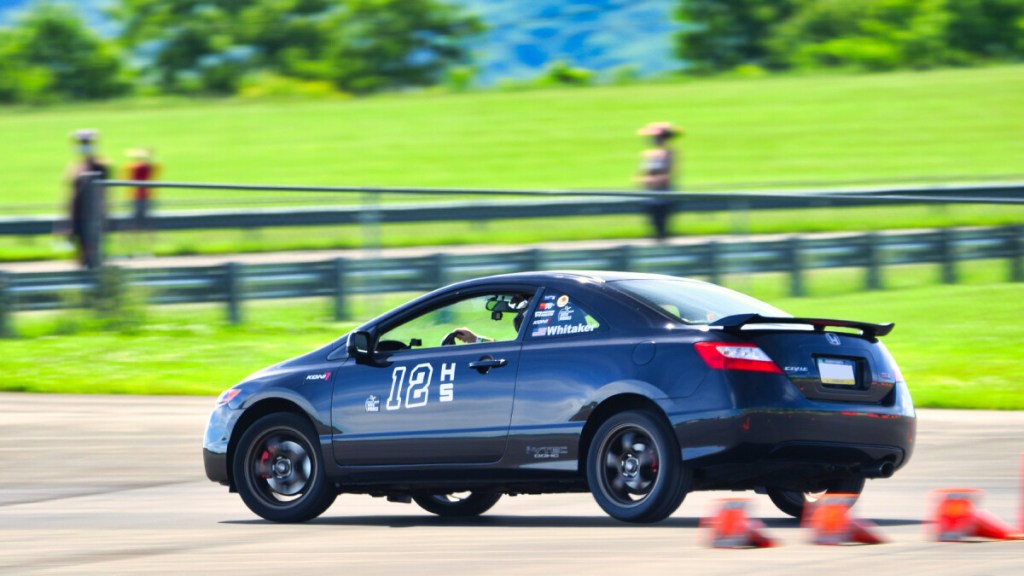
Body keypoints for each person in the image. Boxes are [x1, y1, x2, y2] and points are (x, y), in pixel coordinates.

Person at [65, 129, 110, 268]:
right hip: (78, 216)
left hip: (92, 216)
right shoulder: (75, 167)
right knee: (81, 254)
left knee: (92, 254)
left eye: (86, 142)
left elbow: (104, 192)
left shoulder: (100, 166)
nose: (83, 146)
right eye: (81, 142)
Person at [636, 121, 681, 240]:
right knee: (653, 227)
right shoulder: (647, 154)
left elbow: (668, 176)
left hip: (663, 197)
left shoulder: (669, 154)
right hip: (650, 197)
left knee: (662, 229)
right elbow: (639, 175)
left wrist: (651, 181)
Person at [123, 147, 159, 254]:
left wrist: (135, 157)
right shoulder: (149, 167)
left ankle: (134, 240)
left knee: (134, 220)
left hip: (137, 197)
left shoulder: (137, 167)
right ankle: (148, 240)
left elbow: (129, 170)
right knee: (147, 219)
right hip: (147, 196)